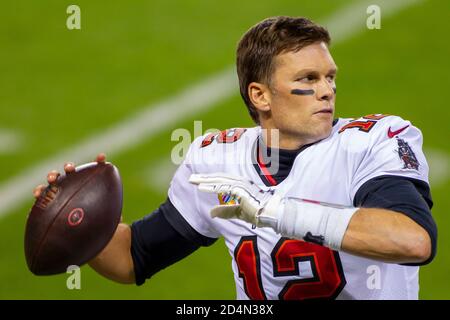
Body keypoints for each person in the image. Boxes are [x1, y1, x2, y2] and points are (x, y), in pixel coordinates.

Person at [34, 16, 437, 300]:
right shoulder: (217, 160)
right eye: (307, 79)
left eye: (329, 77)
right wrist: (78, 220)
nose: (328, 90)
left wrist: (270, 211)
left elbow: (412, 240)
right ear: (260, 95)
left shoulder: (373, 141)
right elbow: (134, 258)